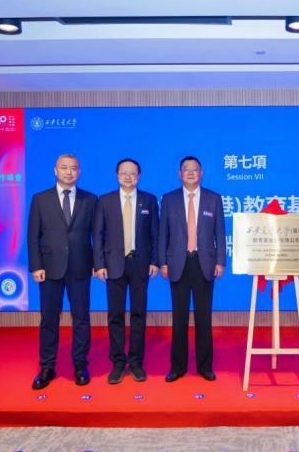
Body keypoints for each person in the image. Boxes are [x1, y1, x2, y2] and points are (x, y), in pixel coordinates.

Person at [27, 154, 97, 389]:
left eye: (74, 168)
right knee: (49, 319)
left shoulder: (90, 199)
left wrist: (98, 263)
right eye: (64, 168)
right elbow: (33, 236)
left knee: (81, 318)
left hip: (80, 267)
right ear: (55, 171)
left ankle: (80, 365)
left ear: (79, 172)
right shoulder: (40, 199)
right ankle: (47, 366)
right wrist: (36, 265)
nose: (69, 172)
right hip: (49, 268)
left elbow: (97, 234)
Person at [158, 156, 226, 382]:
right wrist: (163, 262)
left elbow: (220, 233)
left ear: (201, 173)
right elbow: (163, 234)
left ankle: (205, 366)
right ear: (179, 174)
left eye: (194, 169)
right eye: (186, 169)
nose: (190, 172)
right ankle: (177, 367)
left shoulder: (213, 198)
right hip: (177, 263)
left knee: (203, 317)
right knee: (179, 318)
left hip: (204, 263)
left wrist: (220, 261)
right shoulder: (169, 199)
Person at [93, 158, 159, 384]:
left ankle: (136, 362)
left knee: (139, 313)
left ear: (139, 176)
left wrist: (154, 261)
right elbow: (98, 235)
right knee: (115, 315)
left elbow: (155, 233)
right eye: (124, 173)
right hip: (113, 264)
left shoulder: (149, 200)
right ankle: (118, 362)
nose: (128, 177)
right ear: (117, 175)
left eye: (133, 173)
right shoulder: (105, 201)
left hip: (140, 264)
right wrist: (99, 264)